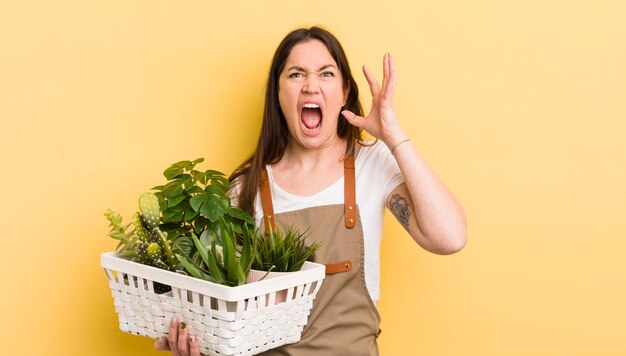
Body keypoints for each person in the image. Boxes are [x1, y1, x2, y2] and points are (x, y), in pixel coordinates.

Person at [156, 26, 467, 356]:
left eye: (326, 73)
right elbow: (231, 319)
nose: (310, 85)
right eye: (295, 74)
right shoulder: (243, 190)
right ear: (278, 93)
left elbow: (449, 237)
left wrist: (393, 136)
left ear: (344, 92)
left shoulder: (371, 163)